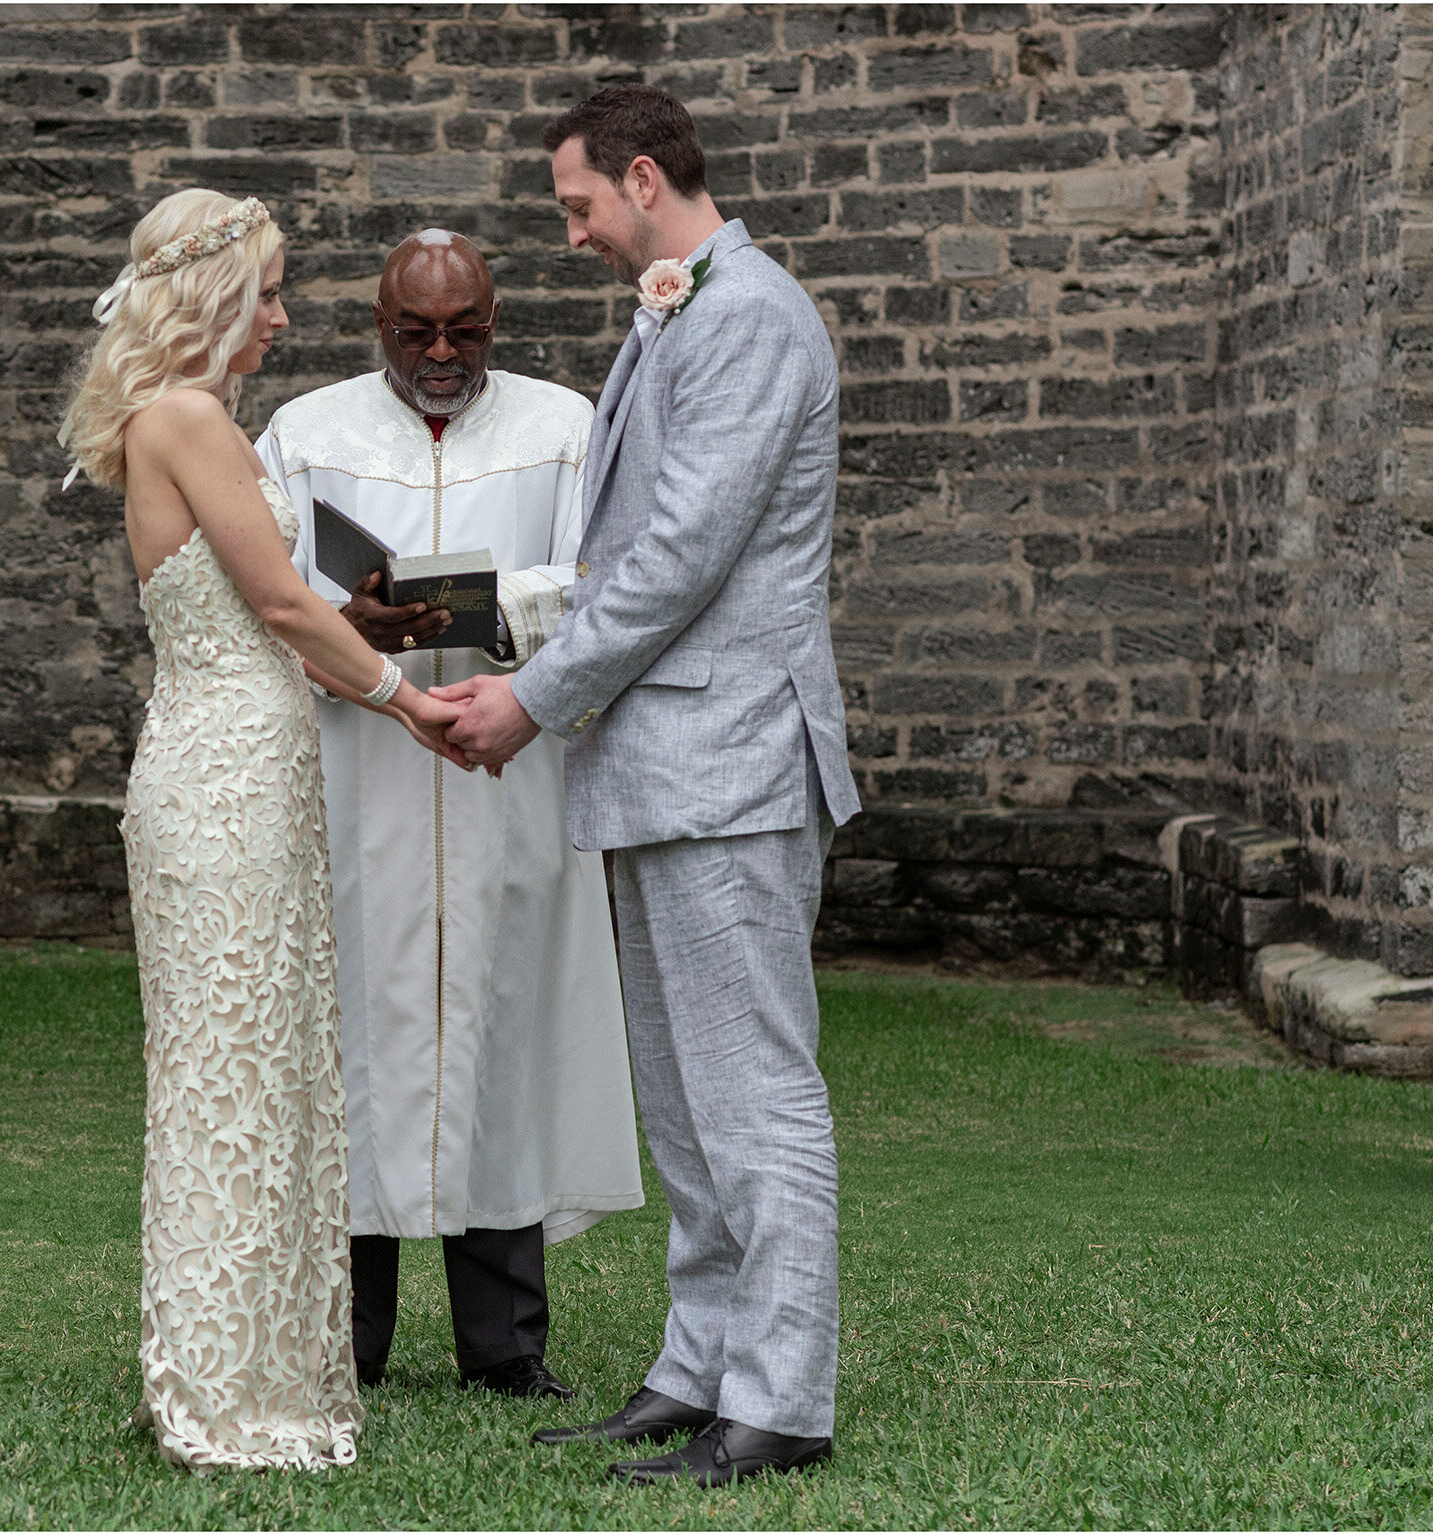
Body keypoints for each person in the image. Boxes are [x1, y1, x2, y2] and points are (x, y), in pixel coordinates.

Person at [438, 83, 863, 1487]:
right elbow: (631, 552)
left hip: (731, 760)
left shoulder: (744, 316)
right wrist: (496, 630)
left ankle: (783, 1394)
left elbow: (679, 553)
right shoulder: (684, 307)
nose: (572, 239)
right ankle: (700, 1363)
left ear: (639, 177)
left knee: (755, 1092)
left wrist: (533, 694)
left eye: (576, 208)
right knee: (684, 1103)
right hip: (663, 759)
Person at [58, 189, 467, 1470]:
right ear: (216, 295)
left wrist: (363, 635)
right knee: (225, 1075)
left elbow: (275, 605)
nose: (285, 316)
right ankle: (220, 1387)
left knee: (262, 1066)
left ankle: (247, 1354)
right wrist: (404, 698)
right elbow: (281, 607)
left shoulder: (191, 420)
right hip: (221, 774)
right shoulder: (182, 415)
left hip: (248, 761)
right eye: (272, 291)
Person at [256, 231, 643, 1401]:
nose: (438, 352)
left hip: (501, 767)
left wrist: (474, 602)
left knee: (500, 1025)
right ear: (375, 321)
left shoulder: (561, 426)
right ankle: (346, 1340)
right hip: (358, 771)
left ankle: (505, 1346)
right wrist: (351, 618)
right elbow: (264, 587)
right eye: (412, 330)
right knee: (355, 1038)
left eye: (462, 329)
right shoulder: (305, 432)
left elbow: (606, 576)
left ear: (495, 316)